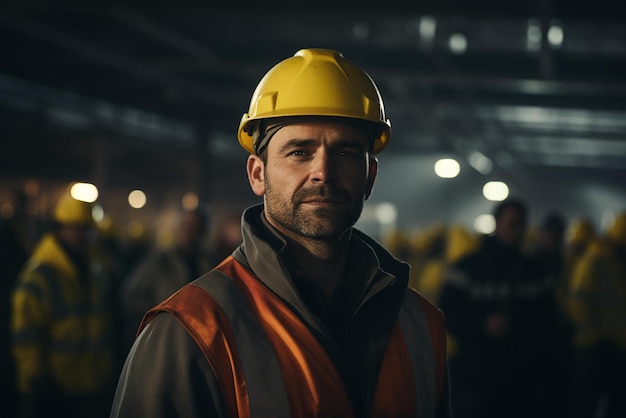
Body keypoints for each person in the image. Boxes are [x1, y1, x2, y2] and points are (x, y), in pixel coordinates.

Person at [110, 48, 452, 418]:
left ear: (369, 177)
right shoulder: (191, 332)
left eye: (345, 153)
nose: (322, 172)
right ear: (258, 174)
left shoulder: (419, 324)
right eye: (299, 152)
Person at [437, 198, 562, 418]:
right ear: (496, 223)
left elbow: (548, 319)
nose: (518, 231)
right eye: (512, 224)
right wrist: (483, 325)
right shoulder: (467, 268)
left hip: (521, 379)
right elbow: (446, 314)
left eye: (522, 225)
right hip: (476, 378)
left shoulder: (535, 271)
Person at [11, 190, 114, 418]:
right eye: (77, 227)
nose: (84, 235)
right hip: (53, 391)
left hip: (92, 386)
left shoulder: (95, 270)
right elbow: (26, 334)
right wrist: (37, 378)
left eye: (88, 228)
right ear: (60, 229)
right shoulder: (40, 275)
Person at [119, 207, 215, 352]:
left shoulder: (209, 264)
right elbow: (131, 297)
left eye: (196, 227)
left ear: (203, 232)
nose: (190, 231)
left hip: (200, 341)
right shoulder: (158, 262)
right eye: (186, 226)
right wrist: (163, 315)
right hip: (165, 340)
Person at [567, 212, 626, 418]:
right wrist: (596, 338)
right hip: (593, 346)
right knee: (586, 403)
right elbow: (579, 303)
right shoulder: (596, 260)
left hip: (613, 345)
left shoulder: (614, 262)